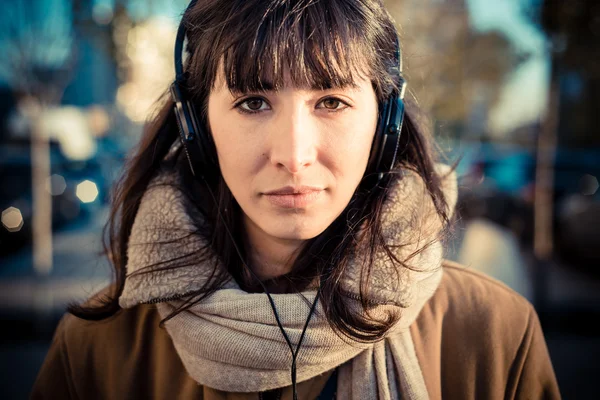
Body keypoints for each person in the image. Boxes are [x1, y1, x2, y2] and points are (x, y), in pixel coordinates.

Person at [32, 0, 561, 399]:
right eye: (253, 101)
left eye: (330, 100)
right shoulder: (97, 350)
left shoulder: (494, 335)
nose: (293, 153)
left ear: (385, 124)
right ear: (196, 126)